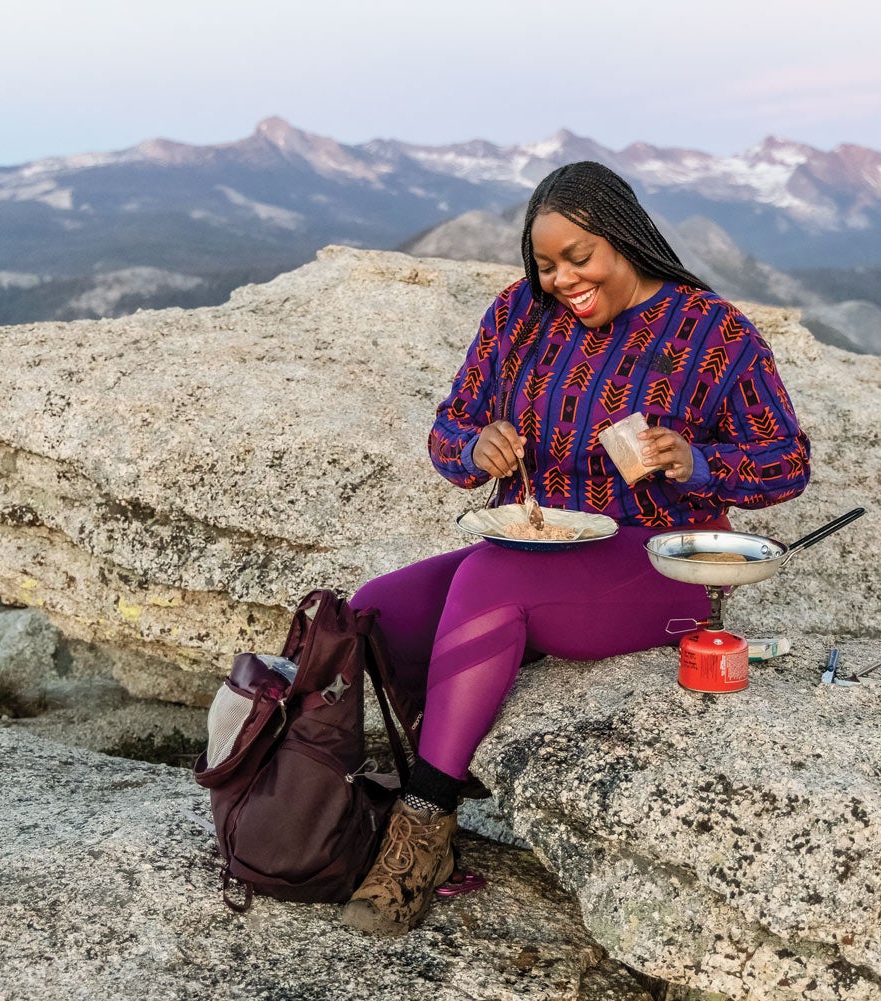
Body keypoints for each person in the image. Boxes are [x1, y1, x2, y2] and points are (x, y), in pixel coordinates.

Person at [339, 161, 811, 936]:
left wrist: (698, 462)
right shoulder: (519, 315)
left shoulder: (714, 333)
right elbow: (449, 426)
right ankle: (438, 740)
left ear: (623, 239)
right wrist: (475, 447)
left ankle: (423, 828)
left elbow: (787, 463)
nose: (562, 279)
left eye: (578, 257)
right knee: (375, 612)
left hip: (658, 566)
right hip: (532, 552)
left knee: (491, 579)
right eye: (546, 263)